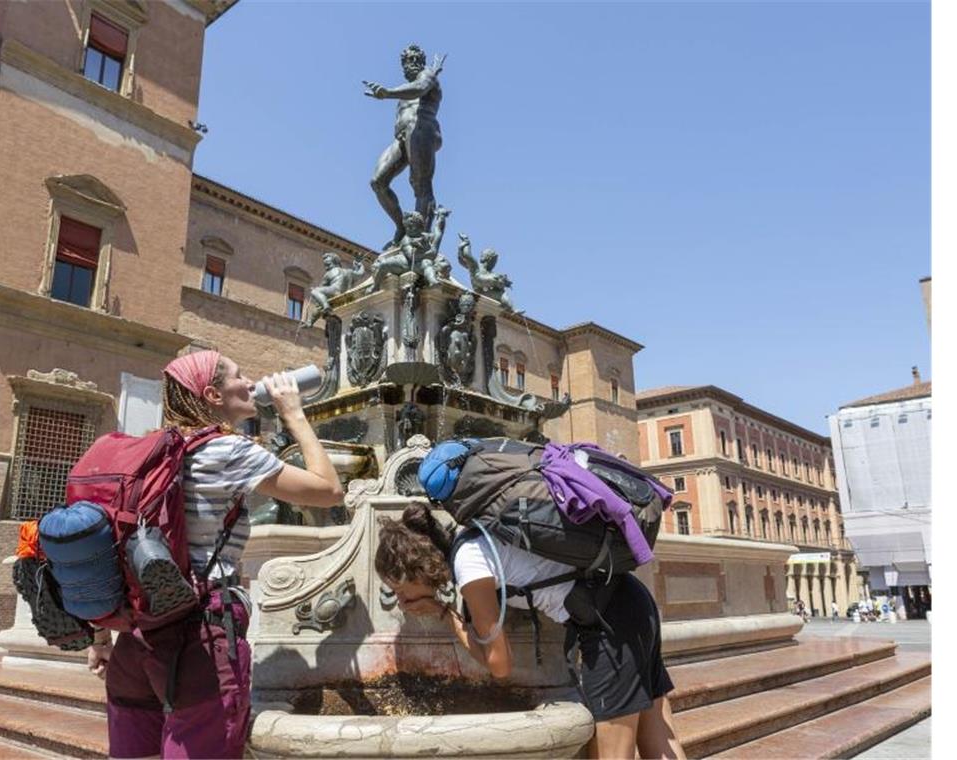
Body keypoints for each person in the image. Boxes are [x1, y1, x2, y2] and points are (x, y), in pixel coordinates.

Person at [86, 350, 343, 758]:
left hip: (135, 641)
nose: (249, 382)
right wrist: (293, 412)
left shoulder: (151, 451)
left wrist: (100, 635)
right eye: (239, 377)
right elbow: (328, 490)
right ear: (212, 394)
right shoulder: (227, 450)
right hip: (200, 639)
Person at [375, 505, 686, 760]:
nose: (401, 602)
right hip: (632, 600)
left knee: (612, 755)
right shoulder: (476, 538)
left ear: (420, 570)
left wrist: (445, 614)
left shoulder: (469, 565)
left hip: (610, 624)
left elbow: (500, 664)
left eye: (402, 590)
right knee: (659, 739)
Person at [364, 44, 445, 250]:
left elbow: (419, 89)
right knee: (378, 182)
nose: (405, 67)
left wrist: (388, 92)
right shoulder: (405, 89)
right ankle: (402, 227)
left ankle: (421, 239)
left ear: (418, 62)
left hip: (421, 130)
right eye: (404, 63)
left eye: (409, 62)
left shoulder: (428, 76)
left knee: (420, 184)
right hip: (402, 137)